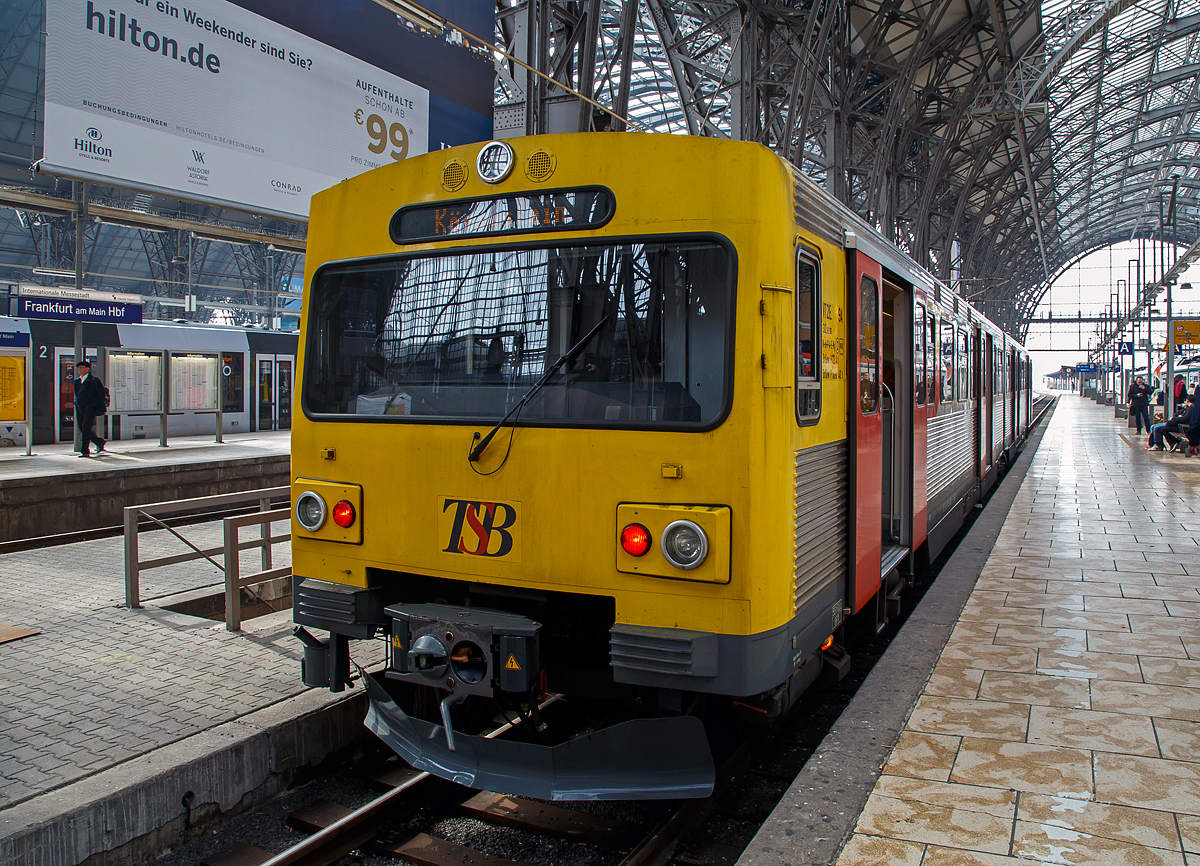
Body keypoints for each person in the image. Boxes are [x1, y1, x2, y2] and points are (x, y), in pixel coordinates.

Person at [73, 360, 106, 457]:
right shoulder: (77, 381)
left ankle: (85, 451)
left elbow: (100, 395)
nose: (79, 370)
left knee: (86, 429)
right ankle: (99, 442)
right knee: (82, 428)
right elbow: (77, 394)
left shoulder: (94, 380)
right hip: (80, 408)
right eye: (78, 368)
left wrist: (91, 406)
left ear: (87, 369)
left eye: (81, 368)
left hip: (90, 408)